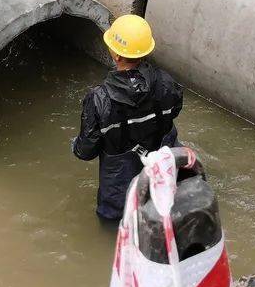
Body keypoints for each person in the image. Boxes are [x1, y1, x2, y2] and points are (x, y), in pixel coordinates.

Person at [72, 15, 184, 221]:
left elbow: (86, 150)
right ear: (146, 51)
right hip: (161, 158)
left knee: (115, 217)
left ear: (115, 54)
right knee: (161, 203)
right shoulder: (167, 82)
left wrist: (76, 146)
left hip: (119, 176)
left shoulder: (99, 99)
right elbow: (175, 110)